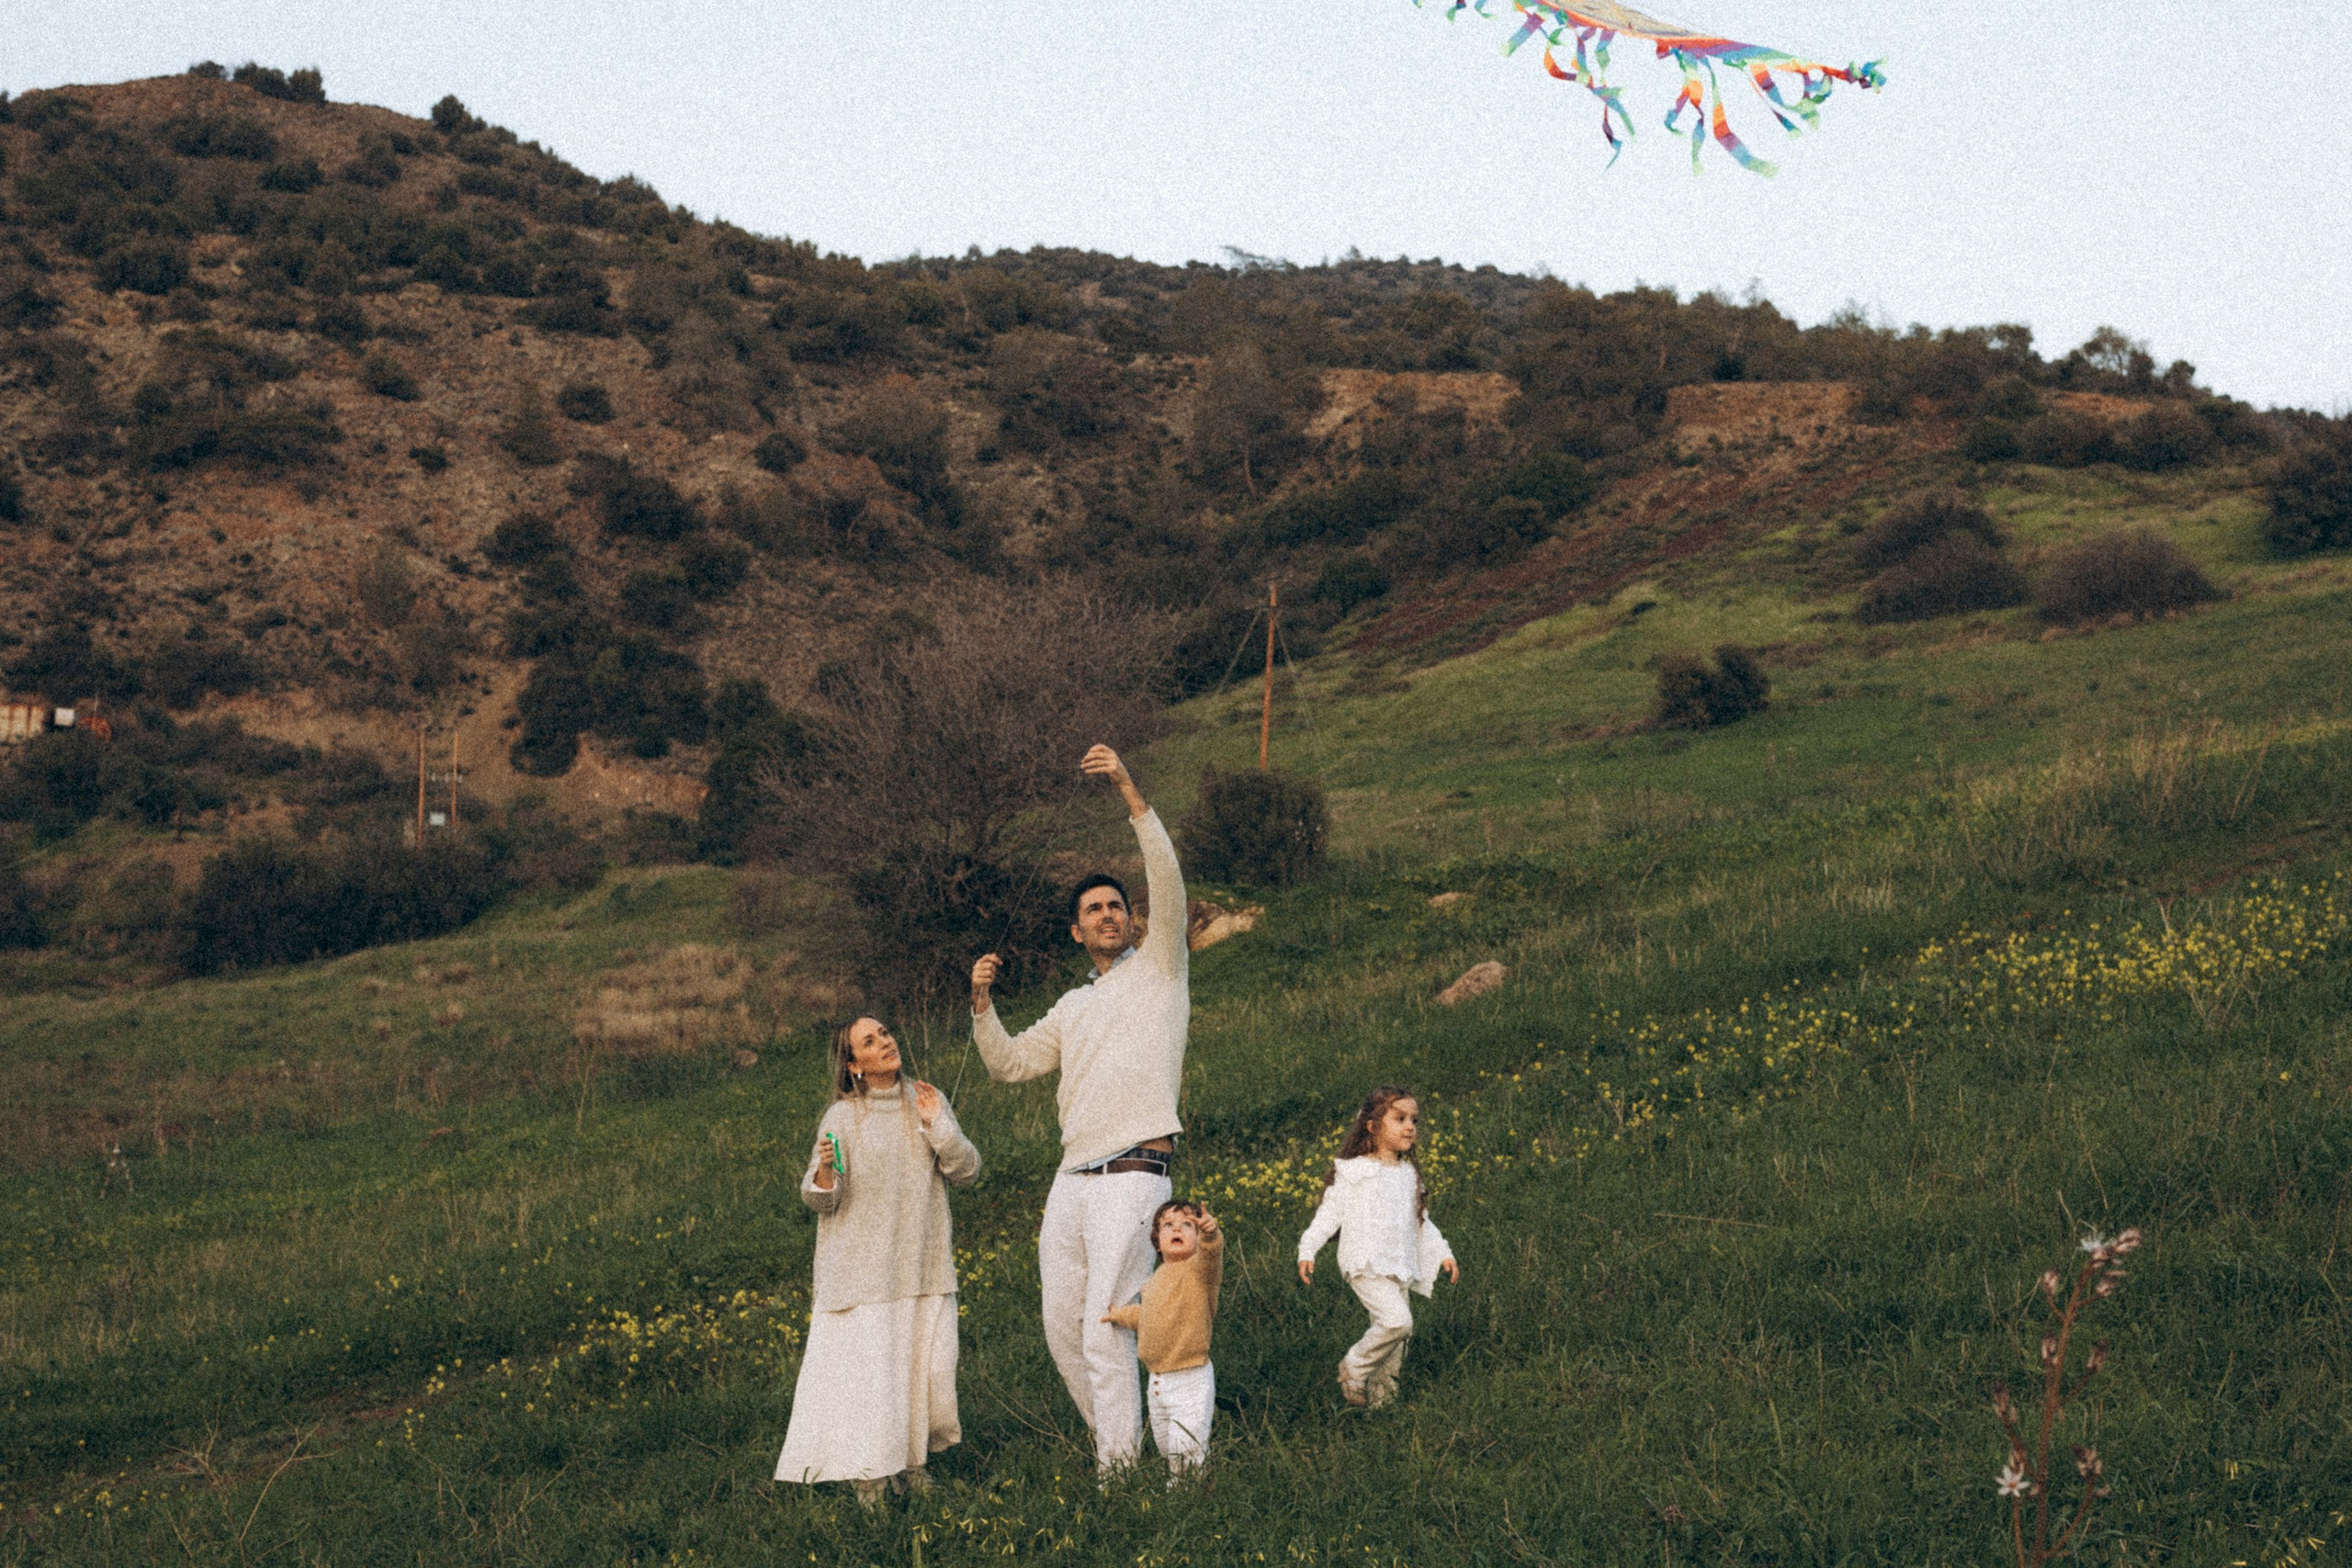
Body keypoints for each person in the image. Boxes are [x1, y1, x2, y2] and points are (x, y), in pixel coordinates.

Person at [968, 742, 1188, 1473]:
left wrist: (1129, 790)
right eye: (1093, 909)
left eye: (1116, 906)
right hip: (1072, 1182)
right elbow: (1009, 1063)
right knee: (1064, 1327)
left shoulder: (1160, 968)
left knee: (1104, 1329)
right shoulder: (1071, 1005)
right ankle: (1125, 1447)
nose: (1107, 914)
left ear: (1132, 920)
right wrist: (981, 1004)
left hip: (1134, 1171)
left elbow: (1168, 879)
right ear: (1076, 930)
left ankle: (1117, 1478)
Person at [776, 1017, 980, 1506]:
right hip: (861, 1276)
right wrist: (826, 1170)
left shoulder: (927, 1098)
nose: (885, 1042)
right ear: (854, 1066)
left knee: (923, 1376)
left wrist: (939, 1128)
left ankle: (913, 1470)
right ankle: (870, 1483)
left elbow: (968, 1171)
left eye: (885, 1033)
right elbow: (821, 1198)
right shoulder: (841, 1119)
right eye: (870, 1041)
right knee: (872, 1383)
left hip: (924, 1267)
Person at [1295, 1086, 1461, 1409]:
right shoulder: (1354, 1172)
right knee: (1398, 1322)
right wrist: (1307, 1249)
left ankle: (1380, 1409)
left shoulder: (1409, 1175)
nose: (1410, 1126)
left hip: (1398, 1265)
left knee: (1394, 1346)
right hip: (1365, 1263)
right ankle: (1353, 1367)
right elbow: (1329, 1214)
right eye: (1399, 1118)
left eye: (1414, 1119)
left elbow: (1421, 1222)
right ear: (1372, 1127)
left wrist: (1444, 1252)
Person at [1102, 1201, 1223, 1480]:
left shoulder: (1199, 1271)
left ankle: (1187, 1500)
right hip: (1157, 1383)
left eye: (1187, 1224)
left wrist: (1210, 1234)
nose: (1177, 1228)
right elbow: (1147, 1316)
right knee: (1167, 1448)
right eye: (1168, 1225)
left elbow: (1212, 1254)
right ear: (1157, 1241)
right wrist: (1119, 1315)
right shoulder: (1154, 1280)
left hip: (1190, 1377)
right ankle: (1181, 1486)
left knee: (1186, 1450)